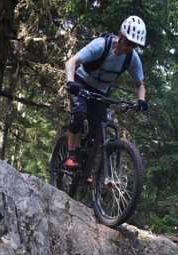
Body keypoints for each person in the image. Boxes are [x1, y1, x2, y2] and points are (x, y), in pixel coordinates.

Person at [62, 15, 148, 169]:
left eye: (133, 45)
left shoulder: (132, 58)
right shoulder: (101, 45)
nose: (129, 48)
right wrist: (70, 82)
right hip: (81, 82)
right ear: (120, 35)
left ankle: (90, 169)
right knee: (79, 115)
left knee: (100, 128)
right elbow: (71, 62)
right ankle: (71, 154)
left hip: (100, 91)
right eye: (128, 42)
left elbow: (139, 84)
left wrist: (141, 100)